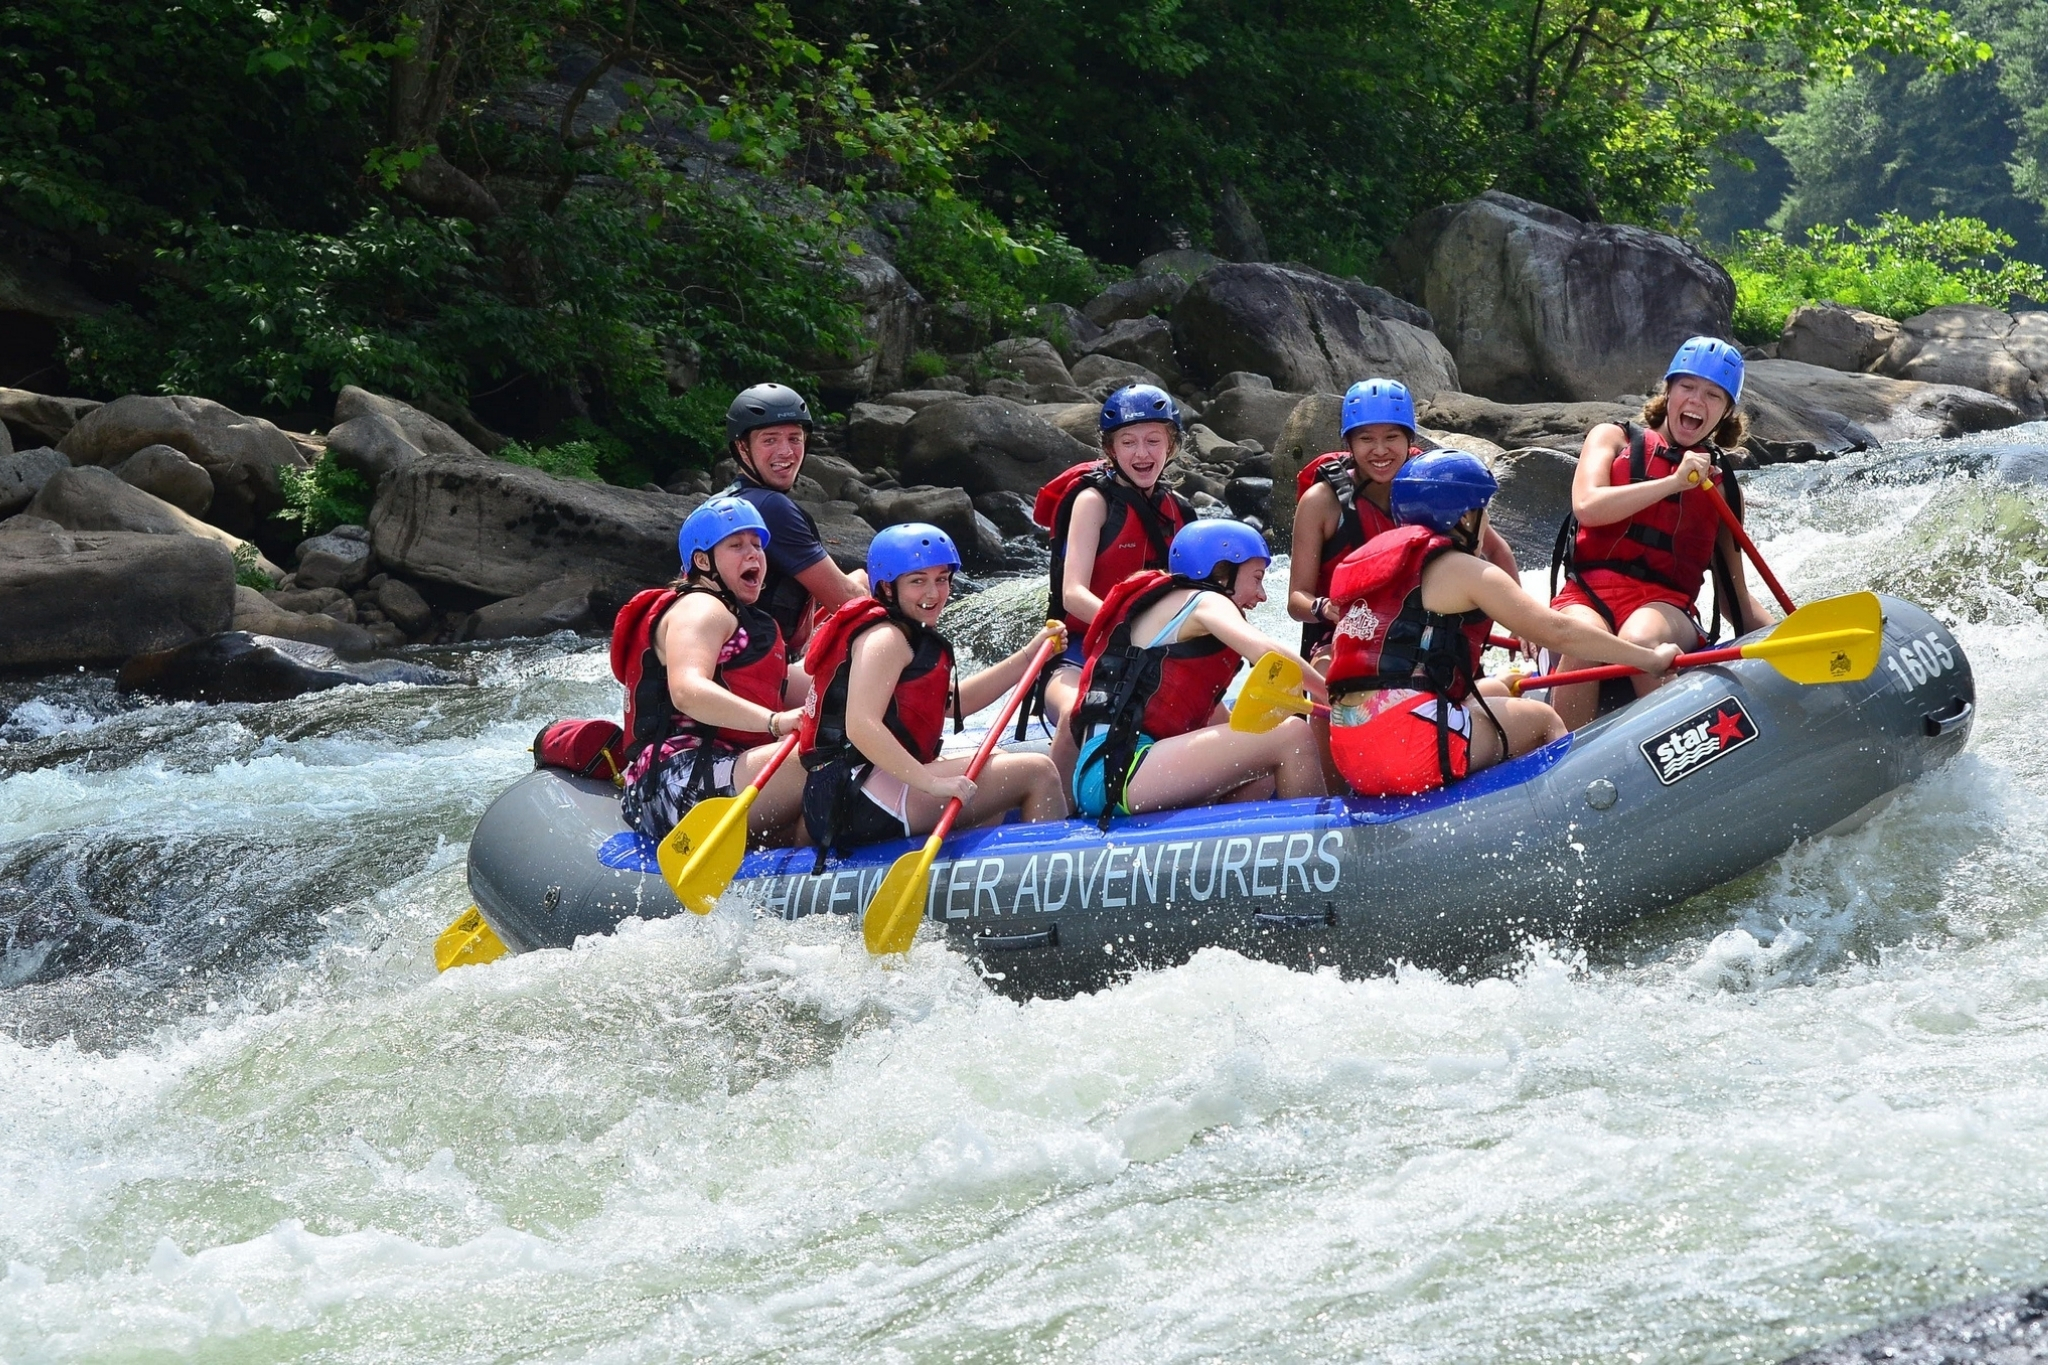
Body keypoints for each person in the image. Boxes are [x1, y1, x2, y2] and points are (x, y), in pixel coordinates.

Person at [1326, 451, 1680, 798]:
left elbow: (1408, 667)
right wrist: (1646, 658)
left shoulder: (1383, 569)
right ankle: (1578, 814)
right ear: (1464, 517)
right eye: (1485, 512)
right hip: (1408, 747)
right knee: (1541, 720)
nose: (1488, 523)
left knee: (1491, 697)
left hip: (1350, 751)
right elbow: (1558, 632)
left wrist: (1494, 684)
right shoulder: (1465, 570)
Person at [798, 523, 1067, 859]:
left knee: (998, 765)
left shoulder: (909, 634)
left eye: (941, 579)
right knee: (1038, 772)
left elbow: (957, 703)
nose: (933, 593)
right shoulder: (886, 639)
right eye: (918, 581)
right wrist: (930, 782)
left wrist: (1030, 656)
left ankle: (976, 884)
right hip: (854, 795)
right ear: (887, 587)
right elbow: (861, 726)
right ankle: (1045, 881)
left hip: (861, 787)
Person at [1547, 338, 1776, 728]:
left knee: (1639, 639)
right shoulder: (1611, 438)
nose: (1697, 402)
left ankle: (1675, 759)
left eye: (1713, 395)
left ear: (1726, 413)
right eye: (1687, 387)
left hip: (1664, 608)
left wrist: (1789, 636)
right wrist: (1672, 484)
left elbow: (1733, 600)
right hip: (1585, 597)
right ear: (1668, 390)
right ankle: (1559, 760)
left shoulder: (1720, 487)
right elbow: (1587, 506)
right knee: (1583, 636)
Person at [1069, 518, 1328, 823]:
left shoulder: (1182, 625)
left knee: (1264, 770)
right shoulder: (1204, 601)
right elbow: (1269, 653)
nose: (1262, 595)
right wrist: (1336, 693)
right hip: (1117, 769)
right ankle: (1319, 851)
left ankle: (1244, 860)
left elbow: (1225, 725)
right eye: (1257, 578)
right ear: (1221, 571)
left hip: (1118, 771)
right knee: (1292, 735)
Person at [613, 498, 810, 842]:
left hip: (725, 769)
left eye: (757, 545)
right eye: (736, 545)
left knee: (840, 741)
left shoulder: (740, 619)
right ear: (703, 561)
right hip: (672, 781)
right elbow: (688, 690)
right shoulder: (701, 607)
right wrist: (774, 722)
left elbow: (790, 686)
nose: (753, 554)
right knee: (821, 750)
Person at [1289, 378, 1517, 659]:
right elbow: (1297, 598)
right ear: (1349, 442)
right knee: (1327, 664)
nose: (1381, 450)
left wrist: (1520, 625)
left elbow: (1494, 550)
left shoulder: (1434, 486)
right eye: (1366, 439)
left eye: (1392, 437)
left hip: (1423, 631)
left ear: (1410, 439)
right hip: (1345, 635)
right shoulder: (1321, 502)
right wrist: (1323, 608)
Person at [1033, 384, 1195, 775]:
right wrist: (1135, 627)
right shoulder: (1093, 502)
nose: (1142, 453)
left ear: (1171, 446)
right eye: (1129, 442)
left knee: (1215, 716)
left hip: (1146, 658)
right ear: (1111, 450)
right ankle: (1053, 815)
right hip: (1075, 655)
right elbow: (1073, 595)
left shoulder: (1180, 511)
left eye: (1154, 441)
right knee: (1081, 708)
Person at [720, 383, 868, 652]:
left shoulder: (723, 501)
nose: (786, 452)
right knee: (866, 584)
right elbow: (847, 602)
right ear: (742, 448)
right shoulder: (771, 508)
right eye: (770, 439)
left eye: (794, 438)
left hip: (739, 656)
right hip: (760, 669)